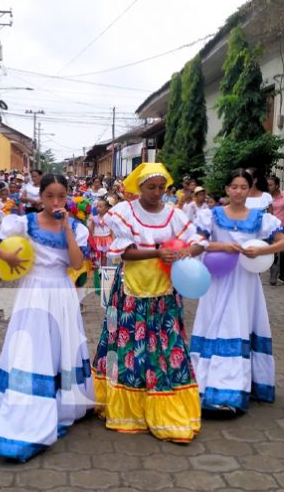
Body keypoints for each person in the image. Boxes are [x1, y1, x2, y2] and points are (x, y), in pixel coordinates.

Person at [91, 163, 207, 443]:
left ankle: (163, 404)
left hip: (165, 293)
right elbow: (125, 254)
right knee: (129, 345)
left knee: (165, 347)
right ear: (139, 187)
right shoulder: (123, 213)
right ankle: (128, 408)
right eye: (150, 187)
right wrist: (159, 252)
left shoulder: (174, 215)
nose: (156, 193)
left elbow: (199, 240)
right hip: (131, 292)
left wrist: (187, 251)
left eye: (161, 187)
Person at [0, 174, 93, 462]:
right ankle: (24, 409)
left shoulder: (77, 228)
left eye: (61, 196)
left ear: (68, 196)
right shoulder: (24, 222)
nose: (56, 202)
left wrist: (66, 224)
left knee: (60, 348)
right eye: (49, 196)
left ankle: (61, 404)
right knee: (30, 349)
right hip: (33, 292)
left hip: (63, 292)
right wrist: (8, 259)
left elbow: (77, 263)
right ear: (40, 197)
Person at [191, 169, 284, 415]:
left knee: (237, 326)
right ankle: (209, 387)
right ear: (226, 189)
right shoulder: (210, 215)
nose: (238, 191)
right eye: (233, 186)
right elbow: (195, 244)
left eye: (243, 187)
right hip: (217, 281)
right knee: (215, 326)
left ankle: (232, 391)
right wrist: (222, 246)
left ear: (250, 189)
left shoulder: (260, 218)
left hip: (246, 283)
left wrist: (262, 251)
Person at [88, 198, 113, 267]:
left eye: (100, 207)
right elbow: (91, 230)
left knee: (105, 256)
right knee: (97, 256)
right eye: (97, 206)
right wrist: (91, 221)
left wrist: (113, 241)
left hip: (106, 239)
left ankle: (103, 272)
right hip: (97, 239)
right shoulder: (94, 218)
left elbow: (111, 231)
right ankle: (98, 271)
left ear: (106, 208)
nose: (98, 208)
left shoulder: (109, 218)